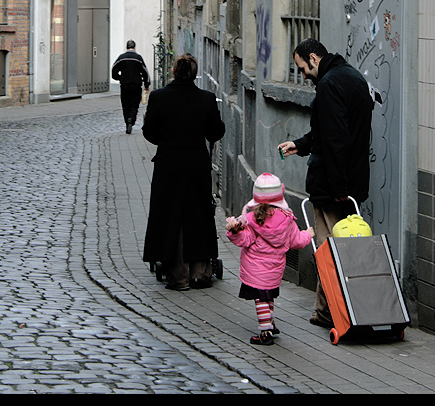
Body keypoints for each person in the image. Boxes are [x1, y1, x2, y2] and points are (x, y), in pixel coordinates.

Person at [277, 38, 375, 329]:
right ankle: (324, 310)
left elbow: (335, 140)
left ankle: (335, 311)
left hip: (334, 187)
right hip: (351, 180)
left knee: (329, 249)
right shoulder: (353, 77)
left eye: (302, 67)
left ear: (314, 58)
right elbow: (335, 133)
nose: (302, 74)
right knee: (341, 248)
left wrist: (337, 188)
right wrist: (300, 144)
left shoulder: (329, 85)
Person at [141, 53, 225, 290]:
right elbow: (216, 133)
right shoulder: (206, 99)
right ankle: (200, 271)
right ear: (195, 74)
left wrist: (167, 141)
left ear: (173, 72)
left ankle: (178, 274)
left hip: (169, 164)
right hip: (196, 164)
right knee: (198, 213)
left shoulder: (159, 97)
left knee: (171, 215)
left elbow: (149, 132)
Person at [226, 172, 314, 346]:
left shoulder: (251, 220)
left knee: (260, 300)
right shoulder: (288, 220)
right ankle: (271, 324)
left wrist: (234, 231)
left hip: (255, 269)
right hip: (275, 269)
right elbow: (296, 241)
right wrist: (308, 234)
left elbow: (244, 240)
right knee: (268, 297)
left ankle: (265, 332)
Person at [111, 40, 151, 134]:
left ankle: (127, 122)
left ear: (126, 47)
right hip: (136, 85)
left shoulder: (121, 58)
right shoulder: (138, 58)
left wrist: (119, 77)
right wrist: (146, 84)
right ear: (135, 47)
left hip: (124, 85)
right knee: (134, 104)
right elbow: (145, 72)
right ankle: (131, 119)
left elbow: (114, 70)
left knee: (125, 104)